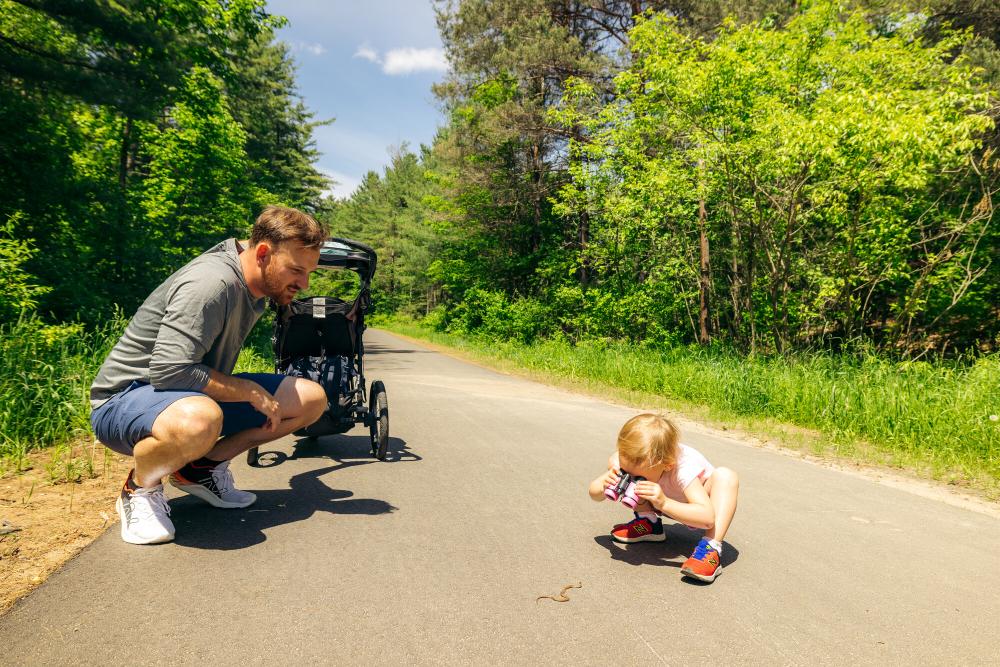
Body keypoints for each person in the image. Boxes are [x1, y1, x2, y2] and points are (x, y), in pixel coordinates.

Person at [90, 206, 329, 545]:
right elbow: (169, 369)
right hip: (124, 399)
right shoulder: (212, 284)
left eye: (309, 273)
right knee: (201, 420)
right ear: (262, 253)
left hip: (183, 394)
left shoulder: (257, 287)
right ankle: (139, 489)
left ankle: (199, 470)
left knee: (310, 399)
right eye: (296, 270)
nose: (303, 284)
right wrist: (246, 389)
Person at [588, 413, 739, 582]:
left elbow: (707, 518)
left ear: (667, 465)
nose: (629, 476)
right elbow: (594, 494)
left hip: (697, 507)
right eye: (626, 470)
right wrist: (605, 483)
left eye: (638, 475)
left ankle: (711, 548)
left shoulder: (683, 470)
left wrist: (664, 503)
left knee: (726, 476)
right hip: (661, 502)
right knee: (639, 485)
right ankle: (649, 523)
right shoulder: (631, 460)